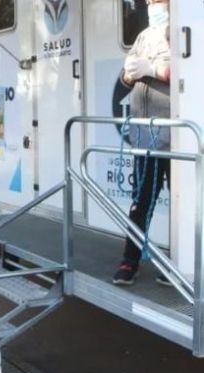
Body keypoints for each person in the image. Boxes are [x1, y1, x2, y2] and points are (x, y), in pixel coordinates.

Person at [113, 0, 172, 286]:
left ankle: (182, 264)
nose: (150, 3)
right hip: (144, 138)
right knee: (140, 201)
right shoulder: (144, 35)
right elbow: (125, 81)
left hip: (175, 139)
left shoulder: (184, 28)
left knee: (185, 206)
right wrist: (129, 72)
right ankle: (129, 261)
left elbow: (189, 73)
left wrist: (152, 69)